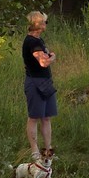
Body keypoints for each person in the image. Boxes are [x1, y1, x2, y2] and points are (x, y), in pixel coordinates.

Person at [22, 10, 57, 159]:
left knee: (47, 117)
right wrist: (53, 57)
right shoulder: (32, 42)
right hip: (35, 82)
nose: (46, 24)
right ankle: (35, 150)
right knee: (34, 117)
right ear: (39, 24)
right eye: (44, 22)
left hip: (45, 82)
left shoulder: (39, 40)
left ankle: (48, 150)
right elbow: (43, 62)